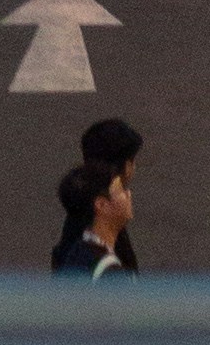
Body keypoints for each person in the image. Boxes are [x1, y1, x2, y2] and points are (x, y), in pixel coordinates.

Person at [50, 111, 144, 275]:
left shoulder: (77, 238)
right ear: (101, 204)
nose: (128, 195)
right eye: (121, 190)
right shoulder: (103, 268)